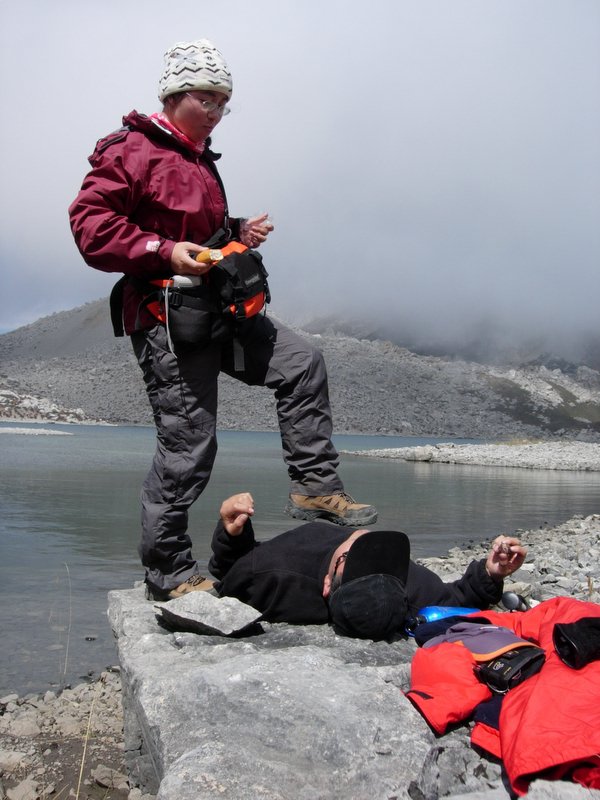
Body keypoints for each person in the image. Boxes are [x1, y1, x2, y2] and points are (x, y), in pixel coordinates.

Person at [68, 38, 377, 602]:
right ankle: (170, 573)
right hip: (168, 318)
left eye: (222, 102)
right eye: (205, 99)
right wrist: (162, 251)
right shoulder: (132, 150)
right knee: (189, 446)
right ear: (174, 95)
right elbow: (91, 226)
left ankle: (315, 488)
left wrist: (236, 232)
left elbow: (194, 228)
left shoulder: (196, 156)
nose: (214, 112)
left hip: (220, 309)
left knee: (302, 363)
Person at [208, 492, 527, 640]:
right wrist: (492, 573)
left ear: (327, 585)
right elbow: (456, 601)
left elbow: (231, 575)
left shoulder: (281, 574)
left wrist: (231, 532)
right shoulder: (401, 584)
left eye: (352, 557)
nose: (366, 542)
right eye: (378, 557)